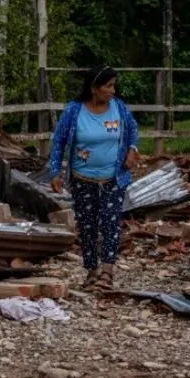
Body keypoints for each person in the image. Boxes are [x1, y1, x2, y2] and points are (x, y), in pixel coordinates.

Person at [47, 65, 139, 293]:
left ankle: (107, 271)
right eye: (108, 86)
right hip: (82, 178)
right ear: (94, 88)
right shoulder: (74, 110)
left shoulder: (119, 108)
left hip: (113, 178)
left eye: (113, 86)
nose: (113, 91)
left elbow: (132, 130)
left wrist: (132, 150)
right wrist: (55, 172)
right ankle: (91, 270)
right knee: (87, 225)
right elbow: (58, 141)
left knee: (110, 223)